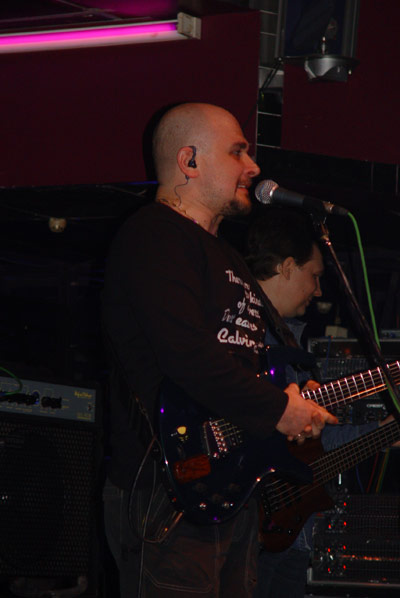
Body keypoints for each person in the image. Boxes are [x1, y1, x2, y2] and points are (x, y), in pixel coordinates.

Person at [101, 102, 338, 598]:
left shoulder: (227, 256)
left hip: (229, 484)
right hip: (169, 486)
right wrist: (278, 409)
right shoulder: (155, 235)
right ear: (189, 161)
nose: (253, 166)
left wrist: (293, 393)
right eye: (237, 152)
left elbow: (238, 362)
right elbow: (185, 353)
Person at [245, 205, 384, 598]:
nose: (319, 290)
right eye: (315, 276)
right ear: (288, 267)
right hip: (253, 534)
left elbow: (314, 448)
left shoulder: (289, 341)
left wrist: (384, 429)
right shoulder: (245, 337)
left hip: (292, 533)